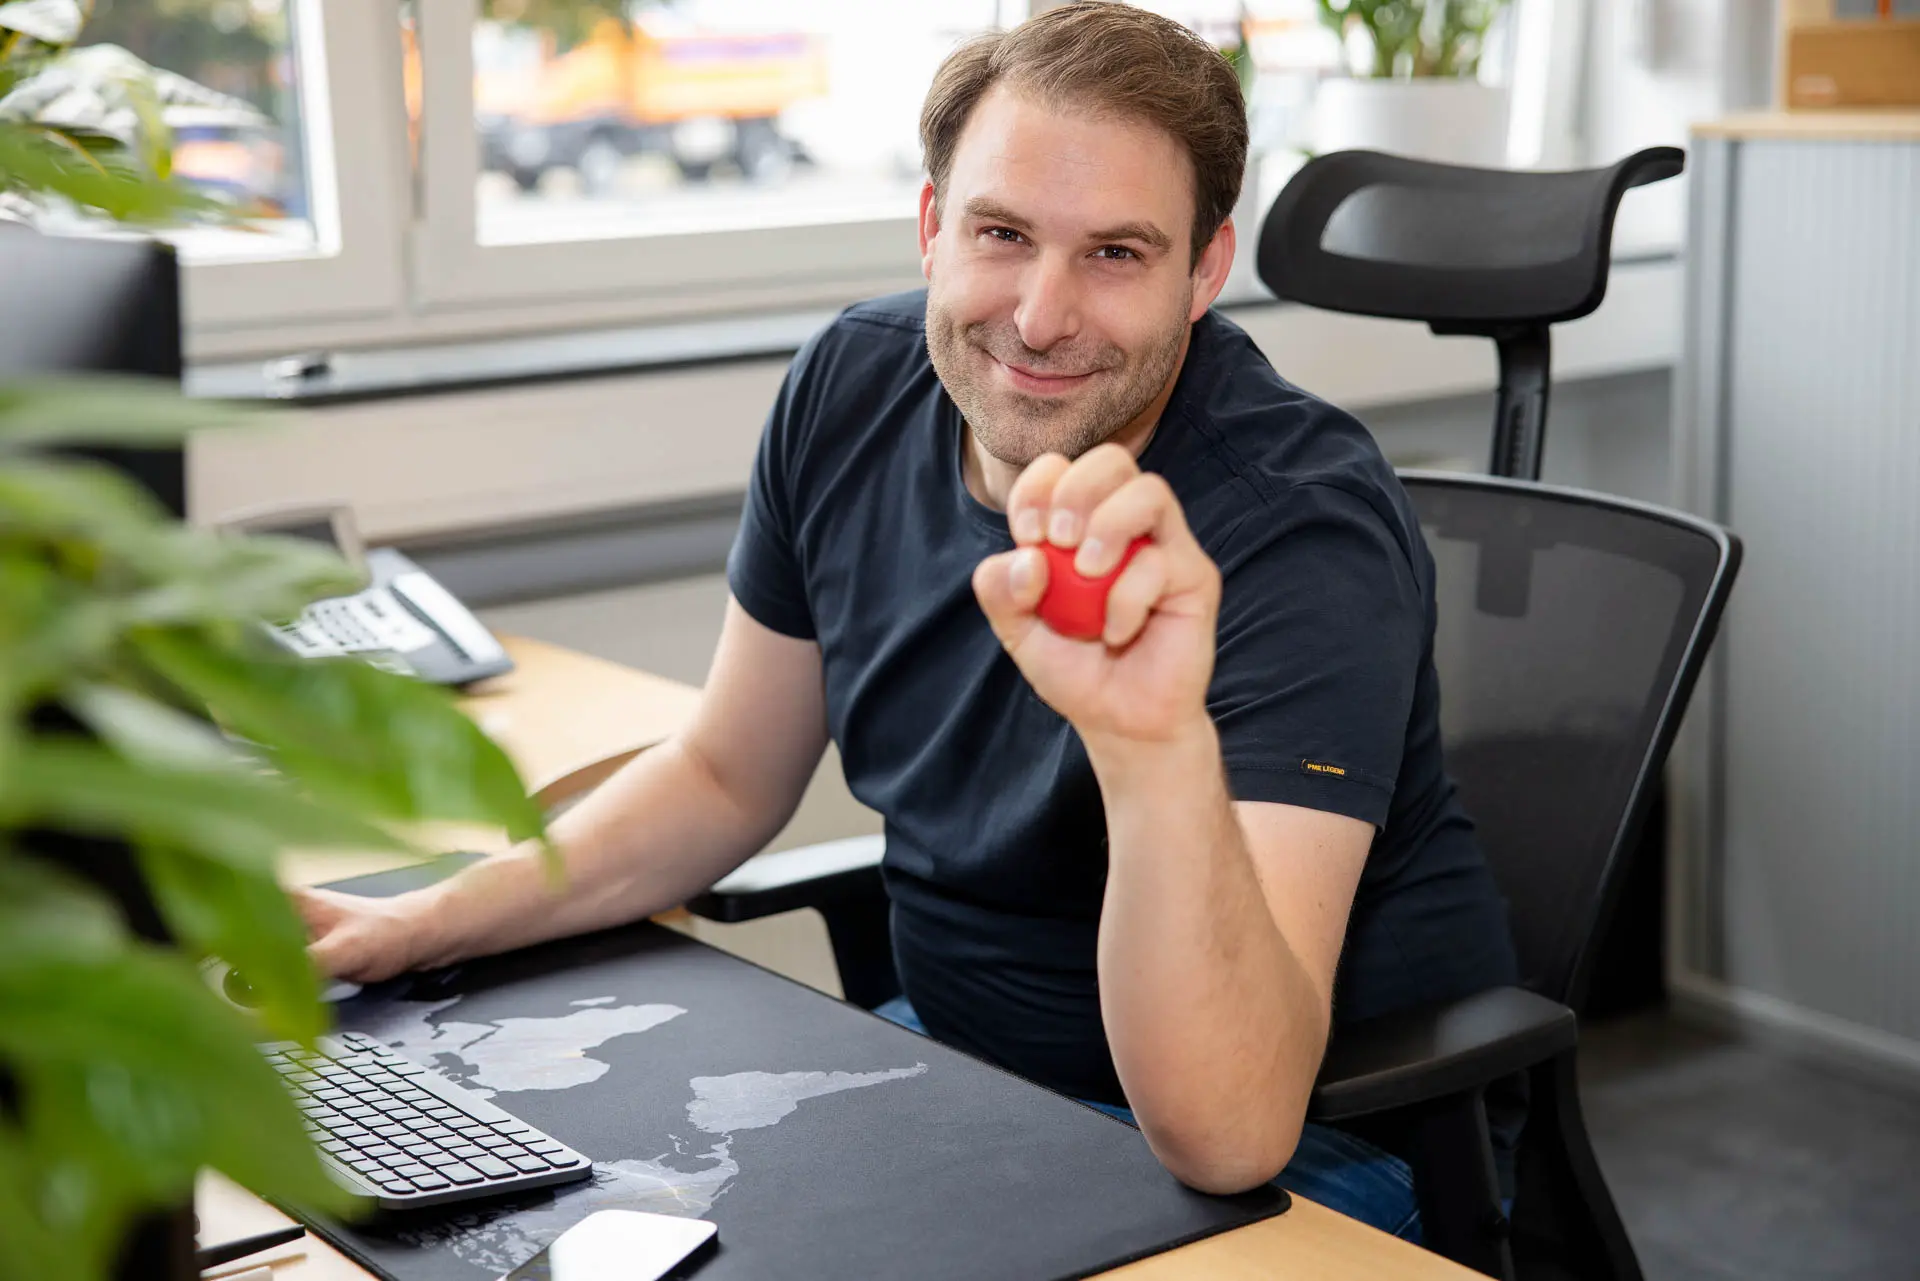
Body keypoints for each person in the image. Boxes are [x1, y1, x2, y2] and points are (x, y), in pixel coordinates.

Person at [298, 2, 1518, 1242]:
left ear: (1205, 271)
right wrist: (423, 924)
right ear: (934, 226)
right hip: (964, 1076)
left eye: (1116, 254)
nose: (1041, 318)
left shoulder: (1296, 530)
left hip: (1321, 1155)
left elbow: (1232, 1129)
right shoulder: (853, 382)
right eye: (1002, 233)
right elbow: (723, 775)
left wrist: (1151, 748)